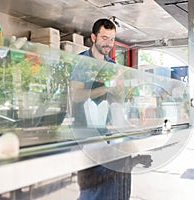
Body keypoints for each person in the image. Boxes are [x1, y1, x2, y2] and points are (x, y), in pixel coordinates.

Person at [70, 18, 152, 200]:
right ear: (93, 37)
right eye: (104, 38)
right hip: (86, 135)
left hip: (108, 134)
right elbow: (75, 95)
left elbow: (115, 100)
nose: (109, 43)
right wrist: (106, 88)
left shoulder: (112, 65)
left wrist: (124, 95)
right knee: (92, 188)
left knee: (114, 186)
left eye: (112, 39)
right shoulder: (82, 62)